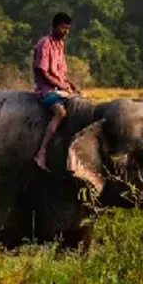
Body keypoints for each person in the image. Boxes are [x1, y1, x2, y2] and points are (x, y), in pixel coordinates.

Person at [32, 12, 82, 172]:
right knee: (60, 113)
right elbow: (43, 73)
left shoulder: (60, 45)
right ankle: (42, 152)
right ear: (54, 27)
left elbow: (62, 74)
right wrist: (61, 87)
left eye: (68, 28)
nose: (66, 32)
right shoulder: (44, 44)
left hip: (61, 89)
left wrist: (72, 85)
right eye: (63, 28)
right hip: (46, 91)